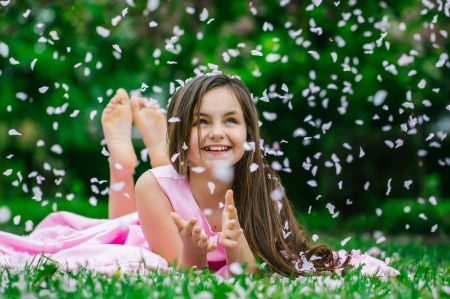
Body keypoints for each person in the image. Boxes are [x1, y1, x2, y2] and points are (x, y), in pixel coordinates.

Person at [0, 73, 398, 277]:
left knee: (169, 174)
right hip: (152, 230)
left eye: (230, 120)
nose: (217, 131)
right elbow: (181, 274)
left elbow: (254, 272)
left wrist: (239, 244)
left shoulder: (262, 184)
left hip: (174, 187)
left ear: (249, 133)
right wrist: (192, 250)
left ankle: (160, 148)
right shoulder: (153, 188)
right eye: (200, 121)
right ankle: (124, 158)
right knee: (121, 228)